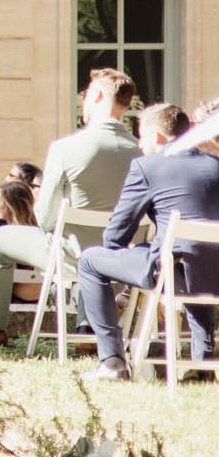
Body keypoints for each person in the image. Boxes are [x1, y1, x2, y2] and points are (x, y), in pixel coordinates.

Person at [0, 68, 140, 347]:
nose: (83, 101)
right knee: (93, 243)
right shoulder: (140, 149)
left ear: (97, 95)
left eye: (86, 95)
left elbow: (43, 217)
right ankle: (88, 328)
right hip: (118, 255)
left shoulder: (66, 148)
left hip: (69, 253)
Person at [76, 102, 219, 380]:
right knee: (197, 258)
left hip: (170, 269)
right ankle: (203, 366)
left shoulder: (147, 166)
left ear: (155, 136)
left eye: (141, 136)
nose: (140, 145)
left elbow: (116, 235)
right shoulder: (215, 165)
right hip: (214, 271)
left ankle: (112, 361)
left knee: (90, 260)